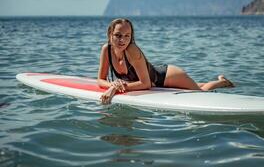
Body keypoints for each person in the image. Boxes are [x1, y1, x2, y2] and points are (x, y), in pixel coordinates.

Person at [97, 18, 234, 104]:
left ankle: (222, 82)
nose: (123, 40)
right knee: (195, 86)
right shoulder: (106, 50)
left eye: (127, 36)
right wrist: (112, 85)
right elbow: (100, 80)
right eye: (118, 35)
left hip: (166, 76)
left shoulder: (132, 50)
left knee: (200, 92)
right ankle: (219, 80)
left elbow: (146, 84)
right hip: (153, 79)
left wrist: (115, 88)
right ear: (110, 35)